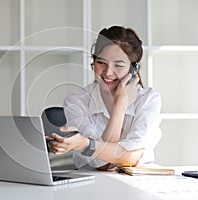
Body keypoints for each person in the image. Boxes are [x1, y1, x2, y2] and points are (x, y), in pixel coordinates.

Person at [46, 25, 162, 170]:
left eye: (118, 65)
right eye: (101, 62)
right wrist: (120, 106)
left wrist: (90, 145)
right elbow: (101, 163)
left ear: (134, 69)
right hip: (92, 184)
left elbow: (130, 158)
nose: (108, 72)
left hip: (137, 184)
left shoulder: (149, 100)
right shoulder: (76, 101)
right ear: (94, 61)